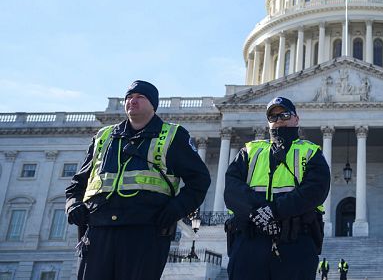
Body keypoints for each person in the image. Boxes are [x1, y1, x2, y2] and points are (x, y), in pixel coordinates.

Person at [64, 80, 211, 280]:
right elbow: (78, 183)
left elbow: (200, 181)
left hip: (144, 231)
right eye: (129, 97)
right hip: (99, 230)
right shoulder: (104, 137)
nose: (133, 101)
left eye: (140, 97)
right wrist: (73, 205)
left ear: (153, 104)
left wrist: (176, 209)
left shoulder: (172, 135)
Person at [225, 96, 330, 280]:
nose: (279, 120)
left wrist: (272, 212)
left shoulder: (311, 152)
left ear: (296, 119)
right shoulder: (250, 151)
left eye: (284, 115)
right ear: (268, 123)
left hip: (295, 242)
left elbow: (314, 192)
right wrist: (258, 212)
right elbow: (232, 189)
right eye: (273, 117)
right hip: (250, 242)